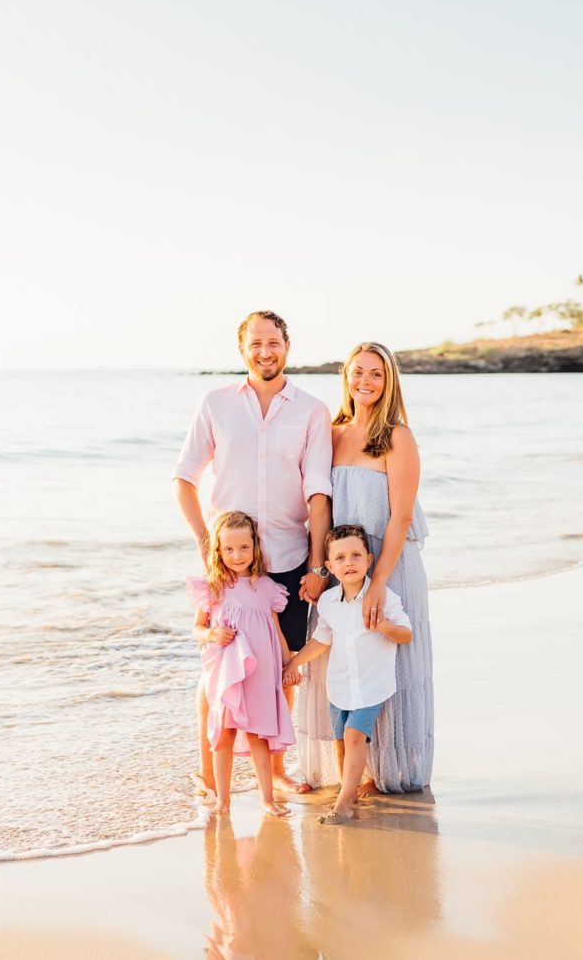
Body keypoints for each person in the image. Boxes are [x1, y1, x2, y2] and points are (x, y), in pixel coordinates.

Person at [174, 310, 333, 796]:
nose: (266, 351)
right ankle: (208, 774)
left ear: (288, 345)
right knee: (214, 667)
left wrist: (317, 565)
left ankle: (278, 773)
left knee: (280, 672)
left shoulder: (312, 410)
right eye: (256, 343)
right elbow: (185, 478)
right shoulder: (215, 404)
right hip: (228, 563)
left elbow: (318, 493)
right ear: (242, 348)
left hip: (286, 560)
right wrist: (207, 547)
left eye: (274, 342)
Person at [296, 341, 433, 794]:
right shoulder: (331, 432)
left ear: (389, 381)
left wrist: (378, 585)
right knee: (337, 656)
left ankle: (388, 770)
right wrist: (318, 569)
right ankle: (350, 771)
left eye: (376, 374)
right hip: (342, 563)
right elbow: (319, 504)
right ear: (346, 377)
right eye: (358, 372)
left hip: (388, 561)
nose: (366, 382)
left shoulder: (398, 436)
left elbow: (401, 517)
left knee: (389, 658)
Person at [283, 524, 412, 823]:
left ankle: (343, 804)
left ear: (369, 559)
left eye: (355, 555)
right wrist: (293, 663)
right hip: (339, 684)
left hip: (371, 684)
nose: (348, 562)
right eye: (340, 558)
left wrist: (385, 627)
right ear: (329, 566)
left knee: (355, 736)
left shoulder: (383, 596)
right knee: (341, 741)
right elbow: (321, 639)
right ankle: (348, 789)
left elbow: (406, 634)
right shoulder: (328, 602)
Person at [189, 510, 295, 817]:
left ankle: (267, 799)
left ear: (255, 547)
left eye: (244, 548)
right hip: (225, 670)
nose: (237, 555)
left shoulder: (266, 587)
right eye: (229, 549)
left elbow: (275, 629)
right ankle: (223, 800)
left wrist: (289, 663)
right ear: (218, 551)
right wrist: (212, 633)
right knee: (224, 734)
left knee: (258, 735)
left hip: (261, 672)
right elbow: (196, 628)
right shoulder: (214, 586)